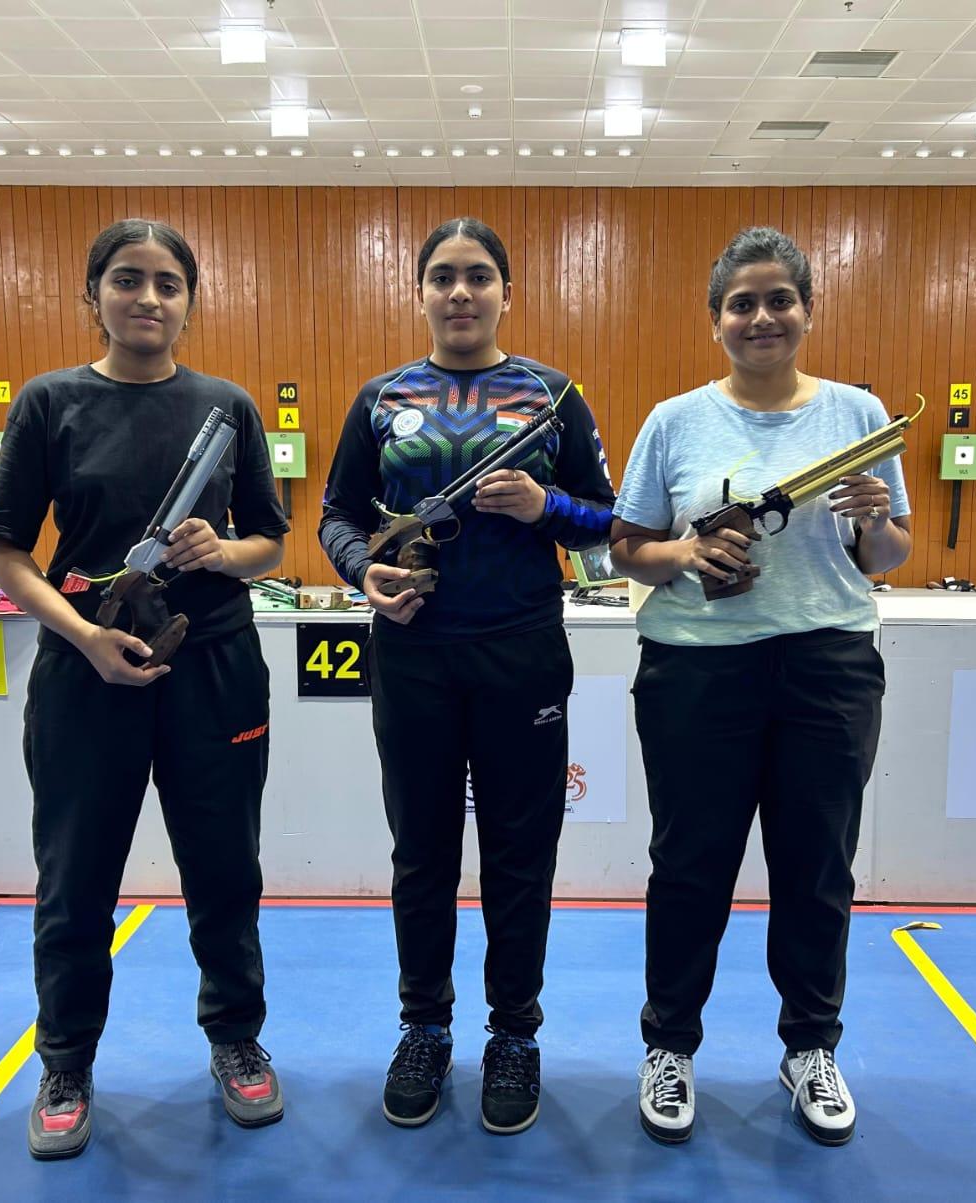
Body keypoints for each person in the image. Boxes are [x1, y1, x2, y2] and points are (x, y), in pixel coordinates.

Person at [0, 219, 289, 1160]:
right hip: (86, 671)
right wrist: (84, 637)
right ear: (94, 294)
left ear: (191, 299)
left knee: (226, 872)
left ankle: (236, 1039)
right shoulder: (49, 403)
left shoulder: (228, 407)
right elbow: (5, 553)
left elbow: (270, 542)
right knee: (76, 881)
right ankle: (64, 1059)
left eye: (166, 283)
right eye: (126, 280)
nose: (147, 298)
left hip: (216, 668)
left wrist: (219, 550)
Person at [609, 226, 912, 1148]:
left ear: (808, 310)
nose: (762, 316)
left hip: (826, 667)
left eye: (780, 298)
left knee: (817, 869)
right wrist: (691, 554)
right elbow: (627, 547)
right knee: (690, 866)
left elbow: (890, 555)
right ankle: (670, 1046)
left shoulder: (861, 415)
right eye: (742, 302)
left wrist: (874, 520)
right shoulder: (675, 421)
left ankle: (810, 1046)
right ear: (716, 321)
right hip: (698, 669)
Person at [319, 217, 615, 1136]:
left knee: (521, 859)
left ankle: (514, 1035)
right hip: (411, 654)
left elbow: (609, 520)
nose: (460, 292)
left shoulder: (554, 395)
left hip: (521, 651)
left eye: (478, 275)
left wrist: (546, 504)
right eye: (443, 276)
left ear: (506, 292)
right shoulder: (379, 398)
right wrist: (363, 573)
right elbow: (336, 517)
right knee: (422, 852)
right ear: (420, 292)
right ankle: (424, 1025)